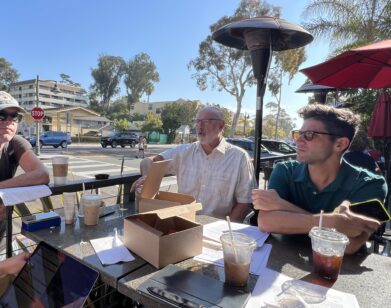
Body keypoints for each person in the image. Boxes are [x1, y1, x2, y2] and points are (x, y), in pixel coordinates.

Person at [252, 104, 387, 254]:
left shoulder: (371, 184)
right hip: (285, 258)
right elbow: (266, 222)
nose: (298, 141)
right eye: (298, 133)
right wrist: (332, 222)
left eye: (309, 134)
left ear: (340, 144)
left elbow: (350, 246)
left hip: (340, 269)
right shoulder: (285, 170)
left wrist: (282, 205)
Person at [131, 106, 257, 222]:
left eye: (206, 121)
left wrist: (225, 232)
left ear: (221, 126)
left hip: (218, 230)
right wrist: (150, 175)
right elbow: (151, 161)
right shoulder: (183, 152)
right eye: (197, 121)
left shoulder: (239, 158)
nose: (200, 126)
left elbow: (244, 202)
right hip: (182, 225)